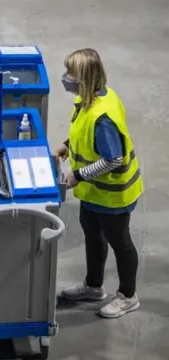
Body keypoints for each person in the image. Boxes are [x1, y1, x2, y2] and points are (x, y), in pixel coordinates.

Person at [54, 48, 143, 318]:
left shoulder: (102, 116)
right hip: (94, 191)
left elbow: (113, 159)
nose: (66, 78)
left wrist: (78, 175)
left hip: (113, 195)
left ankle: (128, 296)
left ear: (85, 78)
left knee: (120, 241)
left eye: (71, 74)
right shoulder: (91, 98)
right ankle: (94, 287)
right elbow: (84, 132)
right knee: (92, 234)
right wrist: (68, 146)